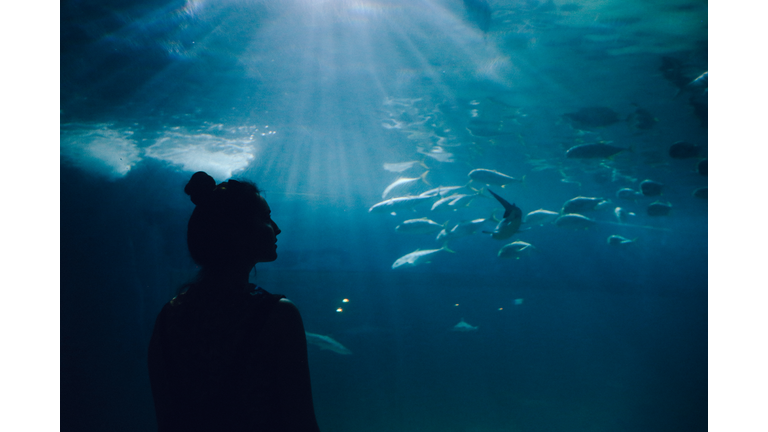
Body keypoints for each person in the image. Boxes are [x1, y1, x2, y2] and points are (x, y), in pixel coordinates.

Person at [148, 171, 320, 432]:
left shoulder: (169, 315)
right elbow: (300, 420)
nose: (276, 228)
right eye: (265, 218)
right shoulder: (278, 315)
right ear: (235, 231)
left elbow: (166, 416)